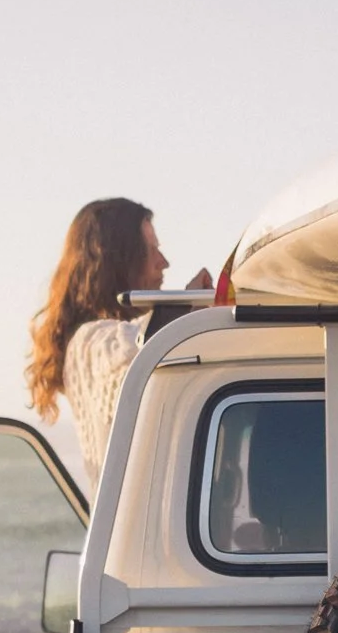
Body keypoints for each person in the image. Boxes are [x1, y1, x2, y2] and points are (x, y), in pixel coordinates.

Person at [27, 198, 211, 486]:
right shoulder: (90, 344)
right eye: (150, 251)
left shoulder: (101, 339)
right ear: (118, 261)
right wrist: (188, 307)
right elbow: (138, 352)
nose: (164, 263)